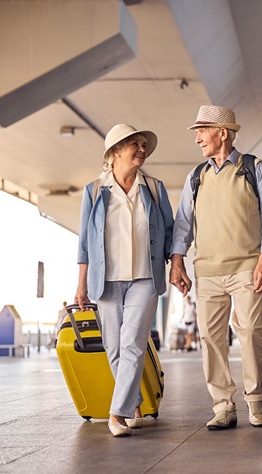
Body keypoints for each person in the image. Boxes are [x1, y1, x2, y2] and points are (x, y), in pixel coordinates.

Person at [170, 105, 262, 430]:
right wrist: (178, 261)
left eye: (201, 131)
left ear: (222, 133)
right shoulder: (196, 177)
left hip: (247, 267)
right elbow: (183, 225)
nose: (197, 139)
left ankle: (255, 400)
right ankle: (223, 405)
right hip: (207, 270)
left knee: (250, 333)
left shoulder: (254, 168)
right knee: (210, 337)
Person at [74, 124, 174, 437]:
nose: (142, 150)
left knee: (132, 344)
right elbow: (84, 243)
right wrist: (80, 284)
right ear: (116, 151)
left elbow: (169, 232)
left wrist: (179, 266)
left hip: (145, 277)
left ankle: (116, 413)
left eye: (144, 144)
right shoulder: (94, 191)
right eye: (135, 144)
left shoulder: (154, 188)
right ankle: (133, 406)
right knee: (114, 347)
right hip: (106, 280)